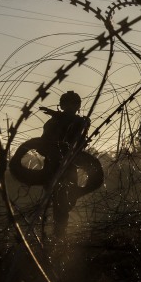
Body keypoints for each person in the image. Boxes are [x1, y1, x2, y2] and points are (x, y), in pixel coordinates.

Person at [38, 90, 91, 238]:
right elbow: (42, 147)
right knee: (58, 203)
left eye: (72, 105)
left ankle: (58, 235)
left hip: (65, 167)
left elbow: (80, 145)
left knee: (62, 203)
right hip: (57, 167)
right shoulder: (65, 122)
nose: (70, 108)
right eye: (67, 104)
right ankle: (56, 235)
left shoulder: (79, 123)